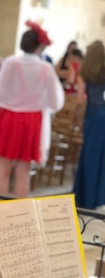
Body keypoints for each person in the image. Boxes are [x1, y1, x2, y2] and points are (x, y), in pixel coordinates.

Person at [0, 21, 64, 197]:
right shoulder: (45, 67)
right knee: (23, 172)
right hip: (32, 120)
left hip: (8, 117)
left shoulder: (11, 62)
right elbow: (55, 101)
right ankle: (19, 218)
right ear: (40, 45)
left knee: (3, 169)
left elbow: (1, 90)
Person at [72, 40, 105, 209]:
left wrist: (75, 117)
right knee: (102, 157)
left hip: (92, 117)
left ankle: (83, 197)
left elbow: (79, 100)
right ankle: (96, 197)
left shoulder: (85, 74)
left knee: (88, 155)